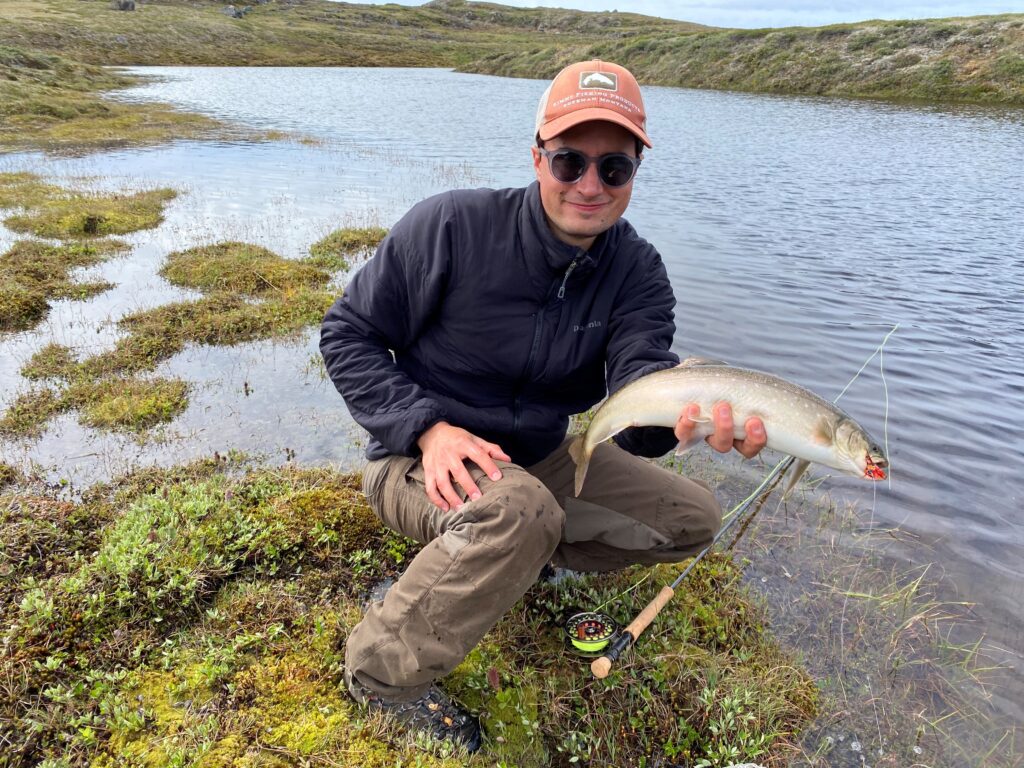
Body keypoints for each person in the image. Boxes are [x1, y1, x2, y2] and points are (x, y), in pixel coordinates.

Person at [319, 59, 766, 753]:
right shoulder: (451, 226)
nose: (589, 186)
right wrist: (427, 429)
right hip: (414, 458)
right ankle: (379, 674)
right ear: (537, 157)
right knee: (517, 512)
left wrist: (683, 419)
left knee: (690, 521)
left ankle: (496, 562)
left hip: (540, 461)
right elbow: (348, 333)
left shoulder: (638, 274)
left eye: (613, 168)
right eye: (568, 162)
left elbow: (637, 389)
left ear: (636, 170)